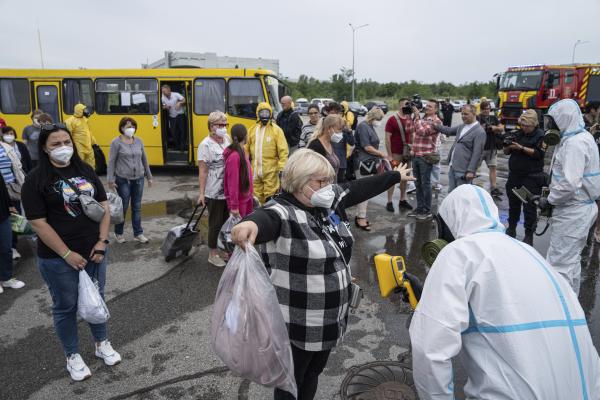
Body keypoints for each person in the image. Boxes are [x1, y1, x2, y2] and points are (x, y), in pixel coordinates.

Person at [231, 149, 414, 400]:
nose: (328, 187)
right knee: (291, 382)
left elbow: (358, 188)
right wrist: (249, 225)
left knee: (313, 373)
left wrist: (394, 176)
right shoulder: (283, 212)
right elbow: (265, 219)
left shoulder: (323, 201)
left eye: (329, 180)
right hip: (298, 324)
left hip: (329, 319)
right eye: (320, 181)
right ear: (298, 181)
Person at [410, 184, 600, 400]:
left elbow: (430, 350)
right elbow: (506, 310)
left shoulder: (459, 252)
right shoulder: (528, 252)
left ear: (448, 224)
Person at [21, 123, 121, 381]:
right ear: (44, 147)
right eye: (55, 144)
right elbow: (38, 223)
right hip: (57, 259)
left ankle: (101, 344)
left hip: (94, 252)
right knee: (66, 306)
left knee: (95, 299)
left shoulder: (84, 169)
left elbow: (103, 206)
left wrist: (102, 242)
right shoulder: (35, 180)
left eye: (66, 142)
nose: (63, 148)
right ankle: (72, 355)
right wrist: (66, 254)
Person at [545, 99, 600, 295]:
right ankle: (572, 308)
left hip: (573, 211)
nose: (550, 127)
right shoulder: (579, 138)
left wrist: (550, 199)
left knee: (560, 264)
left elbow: (570, 184)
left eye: (552, 122)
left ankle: (560, 310)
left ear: (563, 120)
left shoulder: (575, 144)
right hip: (579, 209)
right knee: (571, 262)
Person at [107, 117, 153, 244]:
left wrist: (149, 177)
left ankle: (138, 233)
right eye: (128, 126)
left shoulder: (139, 141)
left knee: (137, 207)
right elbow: (111, 162)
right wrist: (110, 179)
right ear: (122, 128)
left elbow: (144, 159)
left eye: (132, 126)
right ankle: (119, 232)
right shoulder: (116, 142)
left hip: (138, 178)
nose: (131, 128)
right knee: (124, 206)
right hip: (123, 179)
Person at [503, 110, 545, 245]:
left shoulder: (541, 135)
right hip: (515, 176)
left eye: (527, 126)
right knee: (513, 205)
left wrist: (521, 147)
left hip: (530, 178)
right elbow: (506, 152)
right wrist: (508, 146)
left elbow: (539, 154)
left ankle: (528, 235)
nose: (524, 128)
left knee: (529, 208)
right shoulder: (518, 133)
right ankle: (512, 228)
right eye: (523, 125)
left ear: (534, 124)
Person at [198, 111, 231, 267]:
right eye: (220, 125)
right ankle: (212, 253)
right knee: (215, 223)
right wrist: (202, 193)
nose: (224, 127)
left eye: (225, 124)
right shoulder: (205, 145)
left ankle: (224, 249)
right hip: (214, 191)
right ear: (211, 126)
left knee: (226, 223)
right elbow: (203, 171)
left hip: (228, 191)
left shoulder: (227, 139)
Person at [433, 104, 486, 192]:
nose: (463, 116)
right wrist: (436, 125)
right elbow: (449, 131)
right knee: (452, 194)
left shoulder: (479, 131)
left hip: (464, 171)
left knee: (462, 197)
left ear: (474, 114)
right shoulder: (462, 126)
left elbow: (477, 153)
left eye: (466, 114)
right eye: (462, 114)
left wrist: (471, 171)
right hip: (453, 167)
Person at [247, 102, 288, 204]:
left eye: (267, 112)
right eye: (262, 113)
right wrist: (245, 165)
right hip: (255, 170)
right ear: (258, 114)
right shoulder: (252, 130)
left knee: (270, 197)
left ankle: (269, 217)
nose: (264, 115)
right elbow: (246, 148)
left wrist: (282, 167)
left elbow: (283, 151)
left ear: (270, 114)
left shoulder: (276, 130)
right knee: (255, 198)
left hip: (271, 171)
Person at [354, 107, 386, 231]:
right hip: (363, 164)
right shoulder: (363, 127)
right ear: (373, 117)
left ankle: (360, 216)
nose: (380, 121)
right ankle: (361, 218)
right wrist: (381, 153)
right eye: (379, 119)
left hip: (369, 163)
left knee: (365, 191)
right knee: (364, 191)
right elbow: (367, 147)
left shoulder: (369, 126)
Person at [410, 101, 441, 220]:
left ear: (436, 110)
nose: (427, 107)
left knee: (425, 184)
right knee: (417, 184)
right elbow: (415, 135)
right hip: (416, 155)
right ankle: (419, 207)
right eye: (426, 105)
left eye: (430, 106)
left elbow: (422, 132)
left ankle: (427, 210)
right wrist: (413, 149)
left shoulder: (437, 122)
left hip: (426, 157)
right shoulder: (422, 119)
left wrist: (416, 117)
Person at [385, 98, 415, 212]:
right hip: (396, 154)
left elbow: (413, 134)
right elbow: (387, 138)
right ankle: (389, 201)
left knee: (405, 178)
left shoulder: (410, 119)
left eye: (408, 105)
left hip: (407, 154)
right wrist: (389, 155)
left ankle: (402, 200)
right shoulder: (392, 120)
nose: (406, 107)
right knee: (393, 177)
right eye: (405, 105)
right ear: (399, 106)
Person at [0, 130, 26, 260]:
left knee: (14, 218)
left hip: (11, 188)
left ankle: (13, 246)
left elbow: (17, 166)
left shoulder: (6, 148)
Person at [0, 172, 25, 294]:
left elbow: (2, 187)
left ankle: (6, 278)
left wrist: (9, 205)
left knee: (6, 247)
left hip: (2, 214)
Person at [223, 124, 254, 218]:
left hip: (246, 198)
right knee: (239, 231)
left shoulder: (243, 150)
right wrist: (234, 207)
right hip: (239, 203)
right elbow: (232, 183)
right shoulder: (234, 156)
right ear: (245, 136)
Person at [477, 100, 504, 196]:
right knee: (473, 169)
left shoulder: (494, 118)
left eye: (488, 109)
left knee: (493, 168)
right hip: (479, 149)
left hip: (492, 148)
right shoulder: (477, 118)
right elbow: (474, 129)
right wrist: (483, 128)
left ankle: (494, 188)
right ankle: (469, 187)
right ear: (481, 109)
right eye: (484, 109)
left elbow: (501, 128)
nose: (486, 111)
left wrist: (494, 128)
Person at [325, 102, 355, 183]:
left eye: (336, 113)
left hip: (341, 163)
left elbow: (352, 143)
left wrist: (349, 132)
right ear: (327, 113)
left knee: (339, 186)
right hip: (327, 163)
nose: (334, 116)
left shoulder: (343, 125)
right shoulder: (323, 125)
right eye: (331, 113)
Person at [583, 101, 600, 242]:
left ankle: (598, 230)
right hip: (592, 168)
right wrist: (590, 133)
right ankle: (589, 227)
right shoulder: (589, 127)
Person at [65, 103, 96, 168]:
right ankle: (81, 175)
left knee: (91, 162)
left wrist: (93, 142)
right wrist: (69, 145)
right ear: (79, 110)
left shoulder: (85, 119)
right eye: (83, 110)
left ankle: (90, 175)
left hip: (88, 145)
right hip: (78, 145)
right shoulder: (70, 121)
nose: (86, 111)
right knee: (79, 162)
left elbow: (89, 132)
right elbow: (68, 135)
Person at [161, 84, 187, 151]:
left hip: (180, 115)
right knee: (173, 132)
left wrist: (180, 103)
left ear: (169, 90)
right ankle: (177, 146)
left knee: (182, 131)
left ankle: (183, 146)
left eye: (165, 91)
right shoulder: (162, 97)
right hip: (172, 116)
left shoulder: (176, 94)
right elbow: (162, 105)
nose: (164, 93)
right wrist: (164, 107)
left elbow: (184, 100)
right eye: (163, 92)